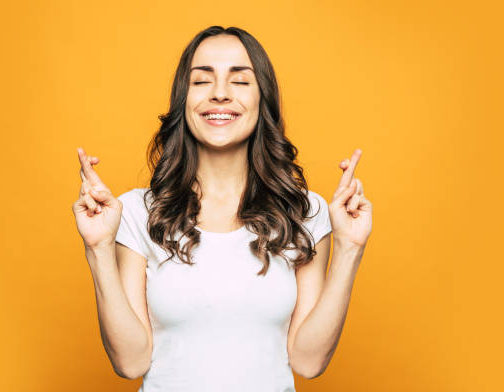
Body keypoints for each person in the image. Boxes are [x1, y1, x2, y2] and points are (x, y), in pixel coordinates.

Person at [73, 25, 372, 392]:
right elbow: (130, 361)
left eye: (240, 81)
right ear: (184, 100)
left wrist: (349, 247)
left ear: (263, 100)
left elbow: (308, 362)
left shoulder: (304, 212)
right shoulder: (136, 212)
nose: (219, 94)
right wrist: (98, 247)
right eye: (202, 81)